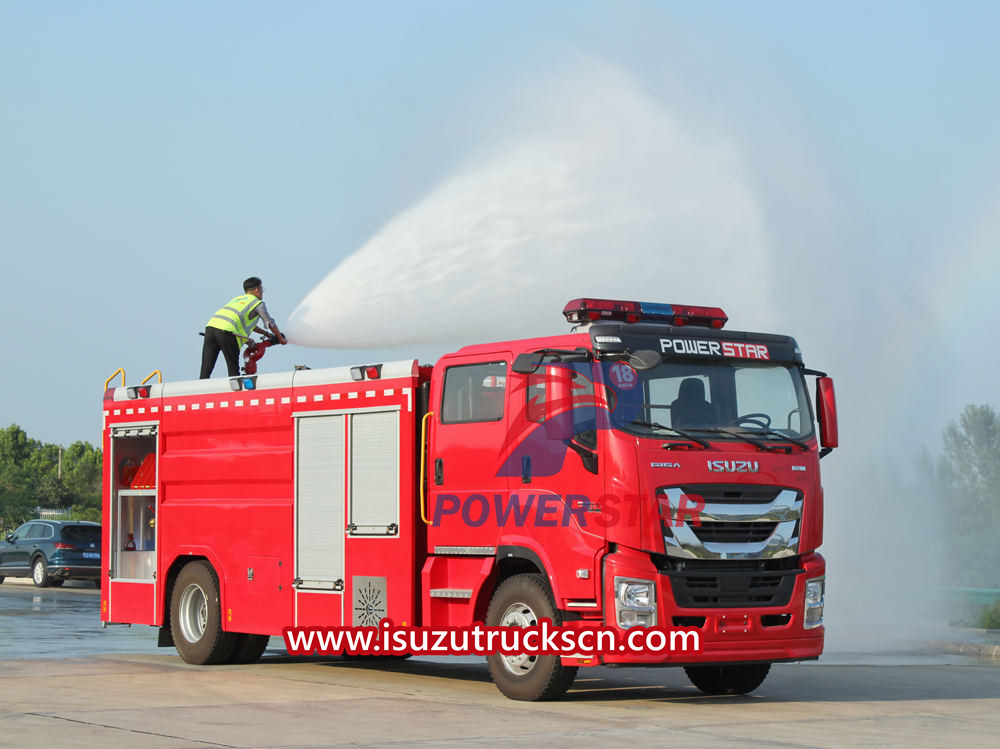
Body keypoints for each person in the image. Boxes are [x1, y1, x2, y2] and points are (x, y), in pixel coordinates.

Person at [200, 277, 288, 379]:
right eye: (261, 289)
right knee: (233, 370)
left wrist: (265, 334)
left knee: (206, 369)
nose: (262, 292)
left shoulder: (237, 299)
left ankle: (198, 392)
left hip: (210, 328)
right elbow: (270, 323)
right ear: (256, 290)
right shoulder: (257, 303)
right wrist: (280, 338)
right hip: (227, 332)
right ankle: (236, 393)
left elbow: (247, 324)